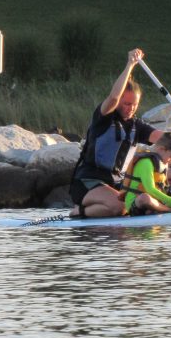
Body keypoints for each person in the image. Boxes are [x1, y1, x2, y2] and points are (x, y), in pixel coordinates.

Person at [69, 49, 164, 218]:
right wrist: (130, 64)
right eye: (126, 103)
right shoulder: (104, 117)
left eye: (134, 104)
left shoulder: (137, 125)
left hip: (116, 184)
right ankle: (78, 212)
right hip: (88, 182)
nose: (131, 108)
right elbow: (113, 97)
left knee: (137, 204)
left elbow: (163, 139)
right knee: (121, 206)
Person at [121, 132, 171, 215]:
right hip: (137, 202)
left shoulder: (162, 165)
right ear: (161, 149)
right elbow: (150, 189)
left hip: (154, 201)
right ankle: (167, 210)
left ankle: (156, 209)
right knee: (145, 198)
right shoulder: (146, 162)